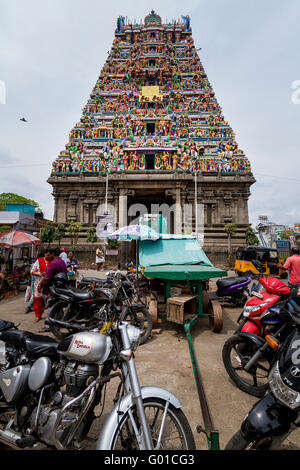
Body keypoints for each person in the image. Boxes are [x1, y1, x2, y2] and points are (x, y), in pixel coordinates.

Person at [38, 247, 68, 331]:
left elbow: (47, 279)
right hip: (60, 289)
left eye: (49, 254)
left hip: (50, 289)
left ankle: (49, 326)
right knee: (58, 307)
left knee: (49, 307)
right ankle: (60, 322)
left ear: (53, 254)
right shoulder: (61, 262)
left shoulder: (54, 263)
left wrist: (40, 285)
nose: (47, 255)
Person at [30, 250, 52, 323]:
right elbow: (32, 271)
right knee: (37, 299)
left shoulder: (52, 261)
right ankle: (38, 315)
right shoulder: (39, 260)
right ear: (44, 254)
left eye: (49, 255)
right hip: (38, 283)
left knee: (48, 299)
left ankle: (50, 316)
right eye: (47, 255)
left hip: (49, 284)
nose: (48, 256)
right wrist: (39, 274)